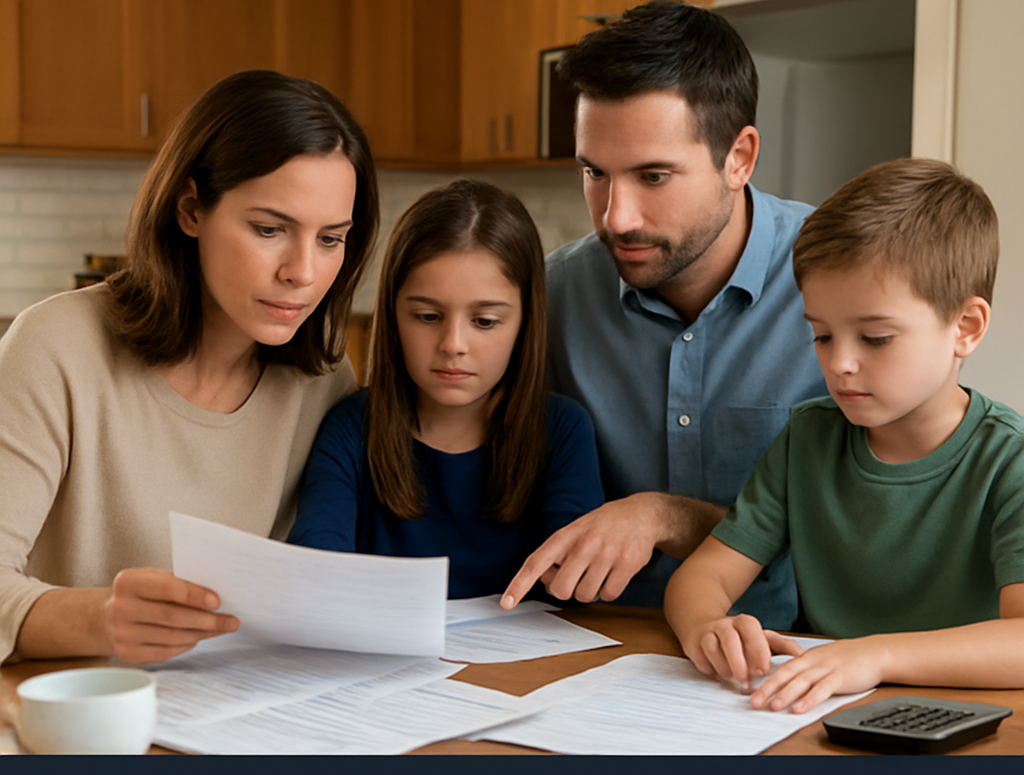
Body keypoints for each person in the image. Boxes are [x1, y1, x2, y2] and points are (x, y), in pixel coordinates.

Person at [0, 70, 379, 665]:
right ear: (190, 208)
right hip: (79, 719)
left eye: (331, 239)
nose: (303, 272)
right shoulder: (55, 348)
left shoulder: (323, 378)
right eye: (270, 229)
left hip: (241, 716)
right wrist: (100, 619)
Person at [502, 0, 828, 626]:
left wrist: (667, 517)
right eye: (595, 172)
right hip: (599, 653)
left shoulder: (845, 288)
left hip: (791, 665)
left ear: (739, 157)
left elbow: (872, 535)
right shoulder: (551, 297)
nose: (615, 217)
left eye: (653, 176)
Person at [665, 158, 1024, 711]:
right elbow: (701, 579)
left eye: (876, 338)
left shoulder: (1010, 459)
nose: (841, 365)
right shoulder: (808, 438)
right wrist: (709, 626)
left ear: (965, 328)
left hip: (962, 721)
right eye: (823, 336)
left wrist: (873, 656)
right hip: (816, 708)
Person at [287, 179, 604, 598]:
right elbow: (313, 571)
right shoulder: (350, 428)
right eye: (426, 316)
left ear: (526, 324)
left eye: (485, 322)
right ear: (393, 315)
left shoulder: (562, 430)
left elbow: (576, 589)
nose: (453, 344)